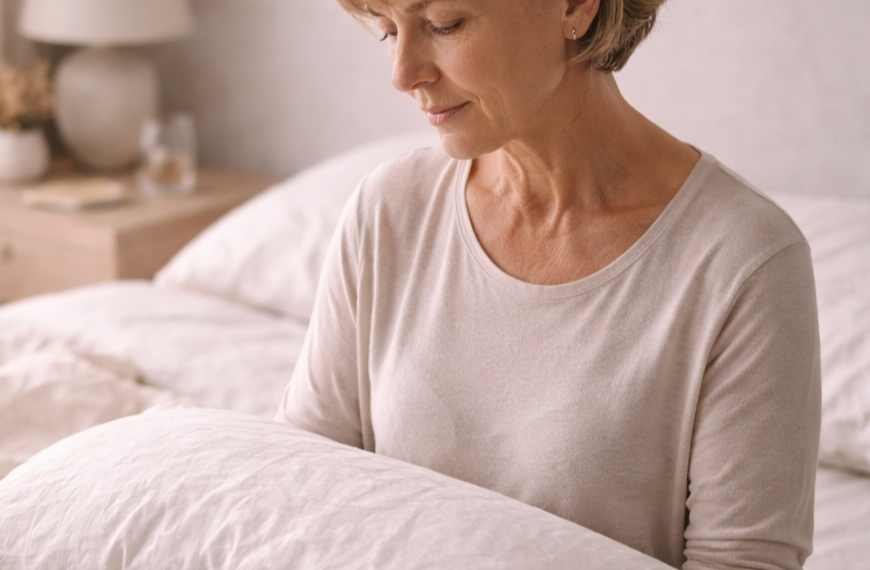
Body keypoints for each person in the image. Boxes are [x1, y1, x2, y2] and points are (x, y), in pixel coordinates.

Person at [276, 1, 821, 568]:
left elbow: (741, 561)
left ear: (576, 6)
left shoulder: (744, 259)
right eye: (389, 31)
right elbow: (306, 483)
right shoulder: (390, 208)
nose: (403, 73)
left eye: (444, 25)